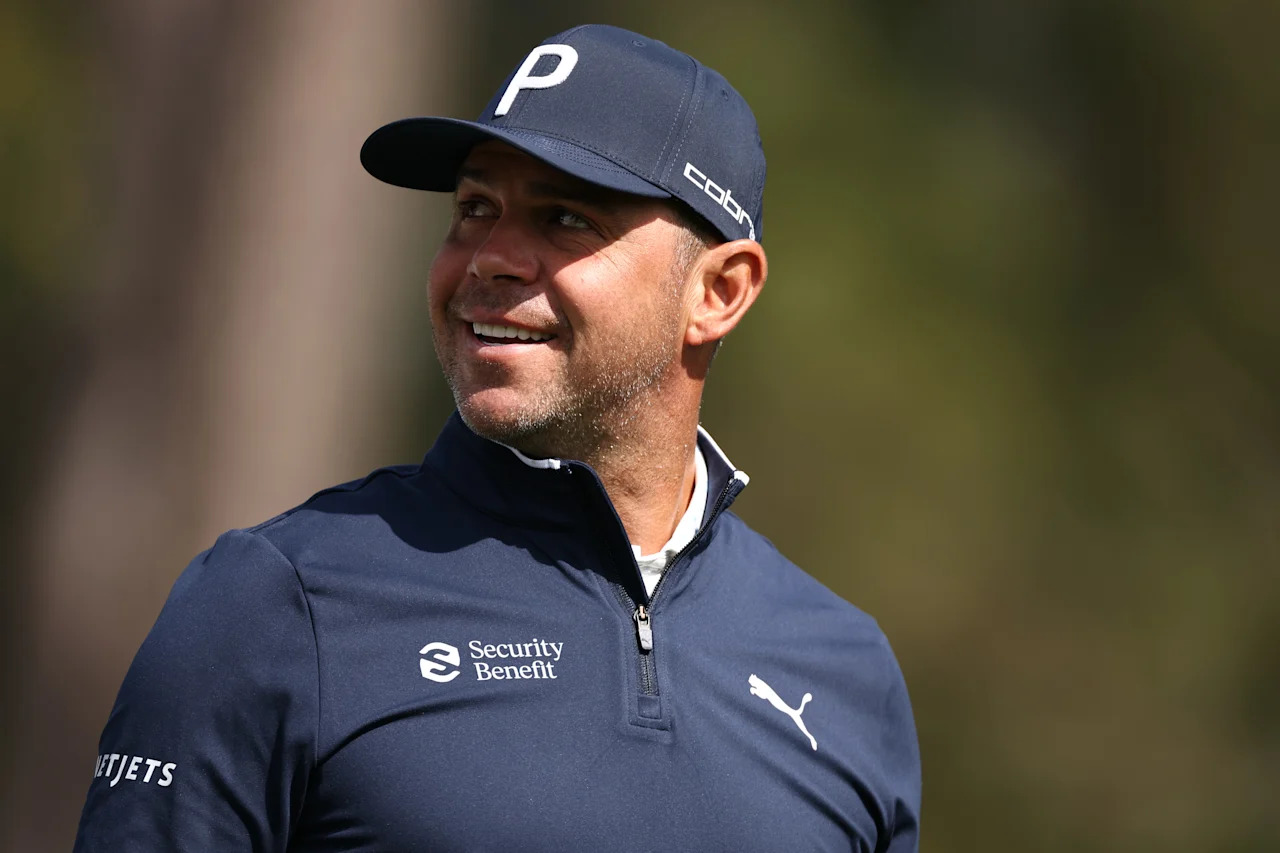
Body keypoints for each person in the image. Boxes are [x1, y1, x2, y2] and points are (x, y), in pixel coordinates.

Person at [74, 24, 921, 852]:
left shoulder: (847, 672)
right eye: (475, 207)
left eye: (565, 219)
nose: (488, 258)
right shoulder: (272, 604)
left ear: (720, 292)